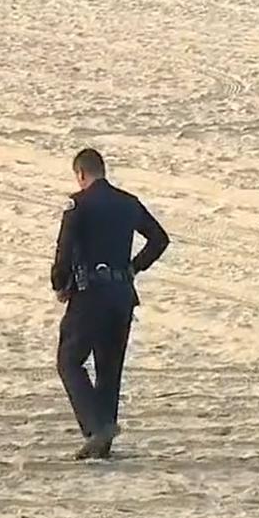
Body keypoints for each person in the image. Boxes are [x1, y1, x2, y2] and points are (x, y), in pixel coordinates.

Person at [51, 147, 170, 460]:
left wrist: (60, 286)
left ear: (80, 174)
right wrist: (133, 267)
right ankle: (102, 443)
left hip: (90, 294)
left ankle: (96, 427)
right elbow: (159, 239)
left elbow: (64, 250)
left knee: (69, 360)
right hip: (122, 295)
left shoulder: (78, 205)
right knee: (109, 369)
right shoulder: (128, 202)